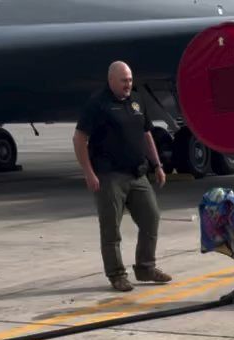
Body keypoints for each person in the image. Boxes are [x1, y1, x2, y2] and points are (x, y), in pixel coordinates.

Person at [73, 61, 171, 292]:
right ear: (111, 81)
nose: (128, 85)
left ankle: (146, 267)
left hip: (137, 173)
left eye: (129, 80)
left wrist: (157, 165)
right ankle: (117, 274)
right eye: (123, 81)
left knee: (151, 218)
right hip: (109, 176)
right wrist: (88, 172)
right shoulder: (98, 103)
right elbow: (79, 139)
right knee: (111, 229)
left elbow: (146, 134)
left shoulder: (136, 100)